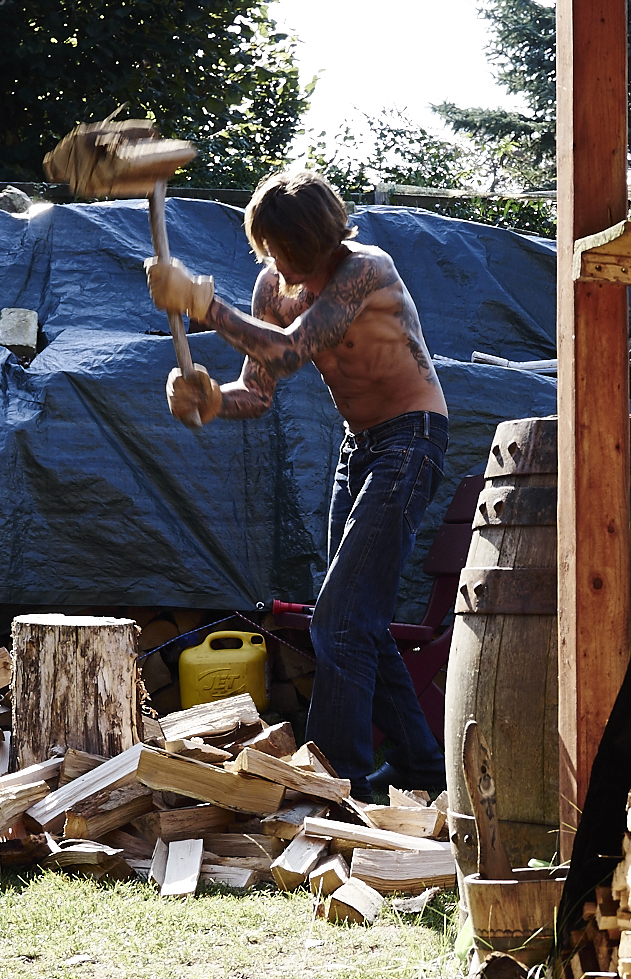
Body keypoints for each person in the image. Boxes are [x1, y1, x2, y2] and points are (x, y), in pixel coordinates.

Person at [144, 166, 448, 794]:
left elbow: (287, 351)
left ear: (321, 238)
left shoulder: (366, 269)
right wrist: (205, 399)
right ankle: (421, 763)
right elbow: (257, 391)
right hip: (359, 447)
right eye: (273, 252)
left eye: (292, 252)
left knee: (340, 616)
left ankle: (335, 785)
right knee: (355, 618)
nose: (283, 265)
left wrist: (204, 306)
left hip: (411, 440)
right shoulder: (271, 287)